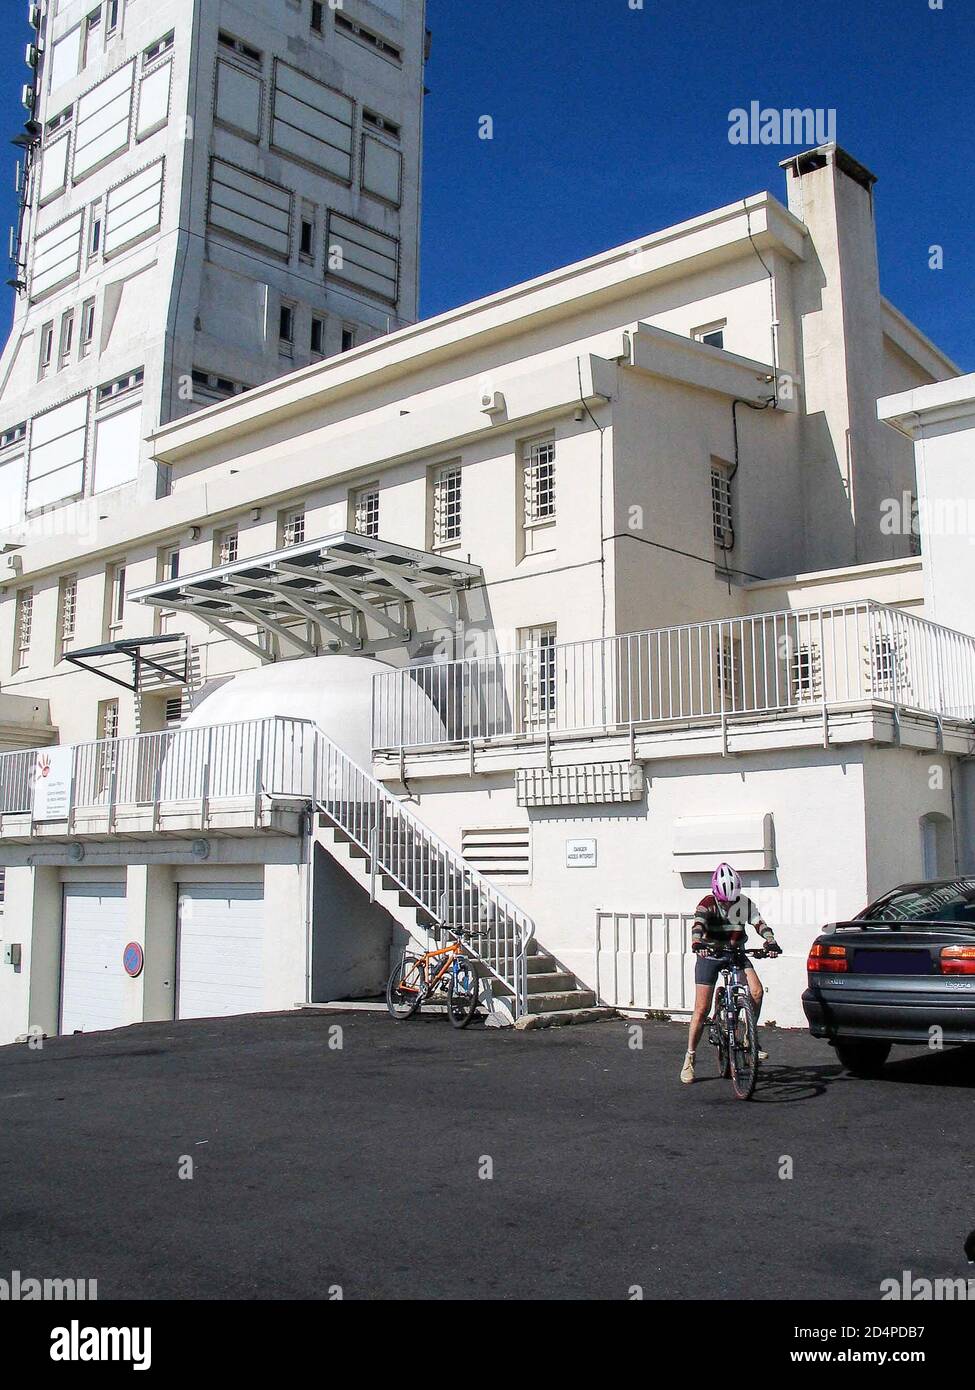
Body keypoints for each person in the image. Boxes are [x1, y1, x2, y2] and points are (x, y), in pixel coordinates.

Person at [680, 862, 781, 1084]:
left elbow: (759, 923)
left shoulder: (744, 903)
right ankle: (690, 1058)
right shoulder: (706, 904)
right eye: (724, 901)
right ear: (716, 893)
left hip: (735, 952)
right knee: (701, 1008)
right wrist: (697, 942)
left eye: (732, 899)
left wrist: (770, 941)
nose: (729, 904)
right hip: (710, 953)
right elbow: (697, 926)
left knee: (756, 992)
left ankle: (749, 1039)